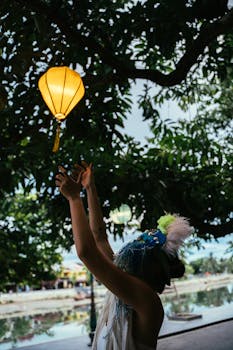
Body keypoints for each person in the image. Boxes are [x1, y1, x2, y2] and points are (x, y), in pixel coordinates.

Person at [55, 161, 193, 350]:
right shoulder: (125, 286)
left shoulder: (145, 299)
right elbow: (99, 238)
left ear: (149, 264)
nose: (136, 241)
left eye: (141, 241)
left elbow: (88, 253)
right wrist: (89, 189)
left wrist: (74, 199)